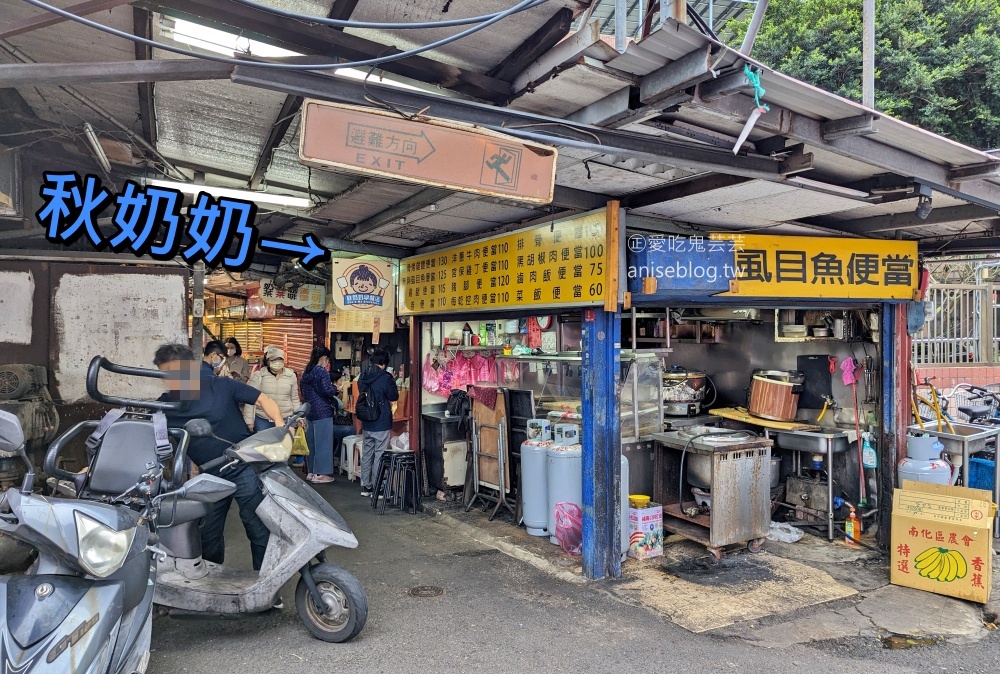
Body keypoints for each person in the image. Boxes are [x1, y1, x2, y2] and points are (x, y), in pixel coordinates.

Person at [153, 343, 284, 575]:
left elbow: (264, 400)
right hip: (209, 476)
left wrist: (281, 428)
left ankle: (267, 584)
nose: (172, 381)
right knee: (208, 535)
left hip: (244, 468)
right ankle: (210, 587)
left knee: (258, 528)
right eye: (166, 375)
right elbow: (139, 433)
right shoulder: (166, 406)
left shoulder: (221, 385)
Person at [300, 346, 353, 484]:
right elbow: (327, 390)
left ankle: (311, 472)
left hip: (310, 410)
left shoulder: (307, 371)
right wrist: (337, 388)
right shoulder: (322, 372)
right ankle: (321, 474)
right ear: (323, 358)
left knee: (312, 443)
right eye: (327, 359)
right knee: (323, 443)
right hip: (323, 411)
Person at [358, 348, 399, 497]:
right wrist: (392, 381)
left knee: (367, 453)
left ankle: (366, 486)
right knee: (380, 454)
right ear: (384, 363)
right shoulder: (385, 377)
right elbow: (393, 396)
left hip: (367, 420)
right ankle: (379, 487)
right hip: (381, 420)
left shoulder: (363, 375)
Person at [244, 347, 301, 432]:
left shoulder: (291, 376)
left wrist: (299, 417)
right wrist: (249, 421)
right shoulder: (258, 376)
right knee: (264, 445)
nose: (277, 363)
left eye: (280, 360)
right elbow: (250, 400)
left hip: (285, 419)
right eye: (274, 360)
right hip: (263, 420)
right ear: (268, 361)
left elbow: (295, 399)